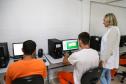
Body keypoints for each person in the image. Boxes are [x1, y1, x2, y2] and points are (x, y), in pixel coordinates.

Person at [100, 13, 120, 84]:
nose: (103, 22)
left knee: (101, 76)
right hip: (108, 57)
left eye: (104, 21)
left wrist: (103, 60)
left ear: (109, 21)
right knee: (107, 73)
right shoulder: (111, 29)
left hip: (107, 58)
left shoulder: (113, 30)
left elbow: (109, 48)